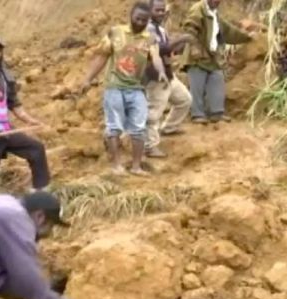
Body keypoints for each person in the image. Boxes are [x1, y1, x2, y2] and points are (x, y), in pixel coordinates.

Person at [79, 3, 168, 176]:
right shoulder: (115, 32)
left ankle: (136, 166)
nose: (140, 23)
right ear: (131, 16)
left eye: (144, 20)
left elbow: (156, 58)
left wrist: (162, 72)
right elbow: (102, 57)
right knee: (114, 127)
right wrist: (87, 79)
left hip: (136, 88)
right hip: (114, 87)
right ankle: (116, 165)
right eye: (138, 19)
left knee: (139, 127)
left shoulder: (150, 38)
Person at [0, 35, 51, 195]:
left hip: (4, 130)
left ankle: (40, 193)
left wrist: (32, 121)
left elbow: (14, 105)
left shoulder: (5, 76)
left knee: (36, 149)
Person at [180, 0, 253, 124]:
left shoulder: (214, 15)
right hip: (197, 56)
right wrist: (194, 47)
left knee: (217, 79)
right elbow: (189, 27)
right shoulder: (199, 8)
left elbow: (229, 32)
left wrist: (248, 37)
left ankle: (217, 113)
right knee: (197, 86)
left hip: (210, 56)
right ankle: (197, 114)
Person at [144, 0, 193, 158]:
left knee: (184, 100)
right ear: (149, 11)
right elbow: (158, 49)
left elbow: (168, 51)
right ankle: (149, 146)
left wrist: (180, 46)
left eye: (162, 10)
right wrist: (181, 39)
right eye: (157, 10)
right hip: (155, 77)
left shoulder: (161, 30)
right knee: (153, 113)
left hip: (168, 74)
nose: (161, 13)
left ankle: (169, 128)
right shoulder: (146, 29)